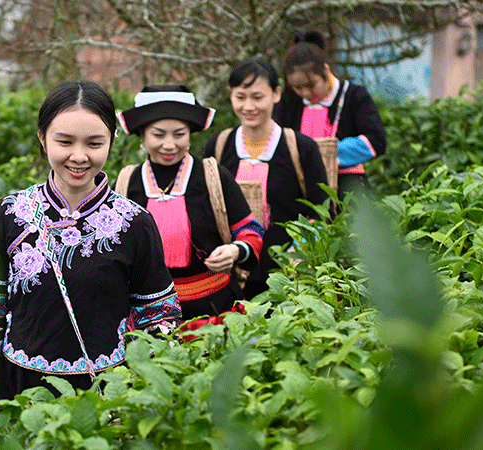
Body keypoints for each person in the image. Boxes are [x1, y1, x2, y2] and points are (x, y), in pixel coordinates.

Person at [0, 80, 182, 425]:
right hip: (19, 392)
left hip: (107, 396)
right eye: (64, 141)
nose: (79, 156)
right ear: (42, 138)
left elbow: (160, 315)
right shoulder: (11, 213)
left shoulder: (135, 223)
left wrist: (140, 392)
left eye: (95, 143)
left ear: (111, 142)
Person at [116, 85, 264, 321]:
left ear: (190, 132)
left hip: (216, 308)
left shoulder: (212, 176)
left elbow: (251, 230)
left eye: (179, 134)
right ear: (142, 134)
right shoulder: (126, 184)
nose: (169, 144)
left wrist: (235, 250)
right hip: (149, 315)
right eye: (158, 134)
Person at [203, 57, 329, 300]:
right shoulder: (218, 146)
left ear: (276, 94)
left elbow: (322, 211)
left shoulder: (301, 149)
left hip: (287, 280)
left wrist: (298, 255)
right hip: (227, 280)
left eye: (257, 97)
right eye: (240, 97)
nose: (248, 106)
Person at [275, 30, 387, 196]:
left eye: (311, 85)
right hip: (300, 188)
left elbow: (376, 140)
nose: (305, 93)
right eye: (298, 87)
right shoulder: (289, 101)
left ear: (326, 70)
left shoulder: (354, 96)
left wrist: (324, 153)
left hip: (347, 189)